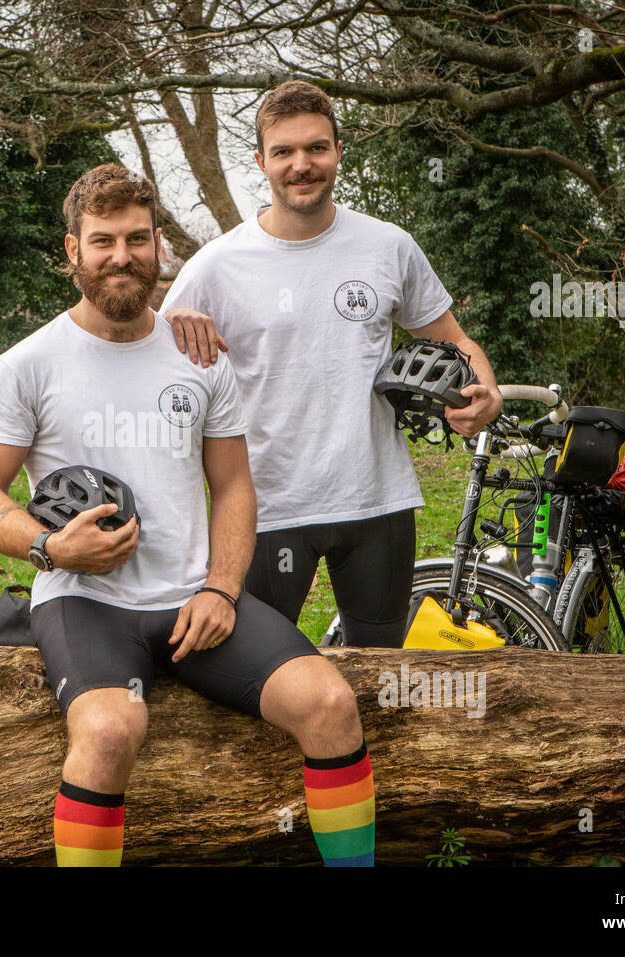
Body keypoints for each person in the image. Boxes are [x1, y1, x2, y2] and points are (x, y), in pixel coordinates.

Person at [0, 164, 374, 866]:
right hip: (85, 603)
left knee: (331, 704)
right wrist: (50, 548)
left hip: (194, 604)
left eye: (136, 239)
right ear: (73, 251)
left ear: (159, 245)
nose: (121, 256)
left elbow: (235, 485)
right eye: (102, 241)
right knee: (111, 730)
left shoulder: (199, 354)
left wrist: (220, 586)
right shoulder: (27, 365)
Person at [161, 79, 504, 647]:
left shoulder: (388, 246)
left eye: (317, 148)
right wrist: (166, 326)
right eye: (284, 152)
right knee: (253, 673)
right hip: (265, 507)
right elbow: (149, 359)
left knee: (379, 674)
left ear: (338, 151)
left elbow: (455, 340)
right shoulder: (216, 266)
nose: (302, 164)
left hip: (375, 501)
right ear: (261, 162)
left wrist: (484, 391)